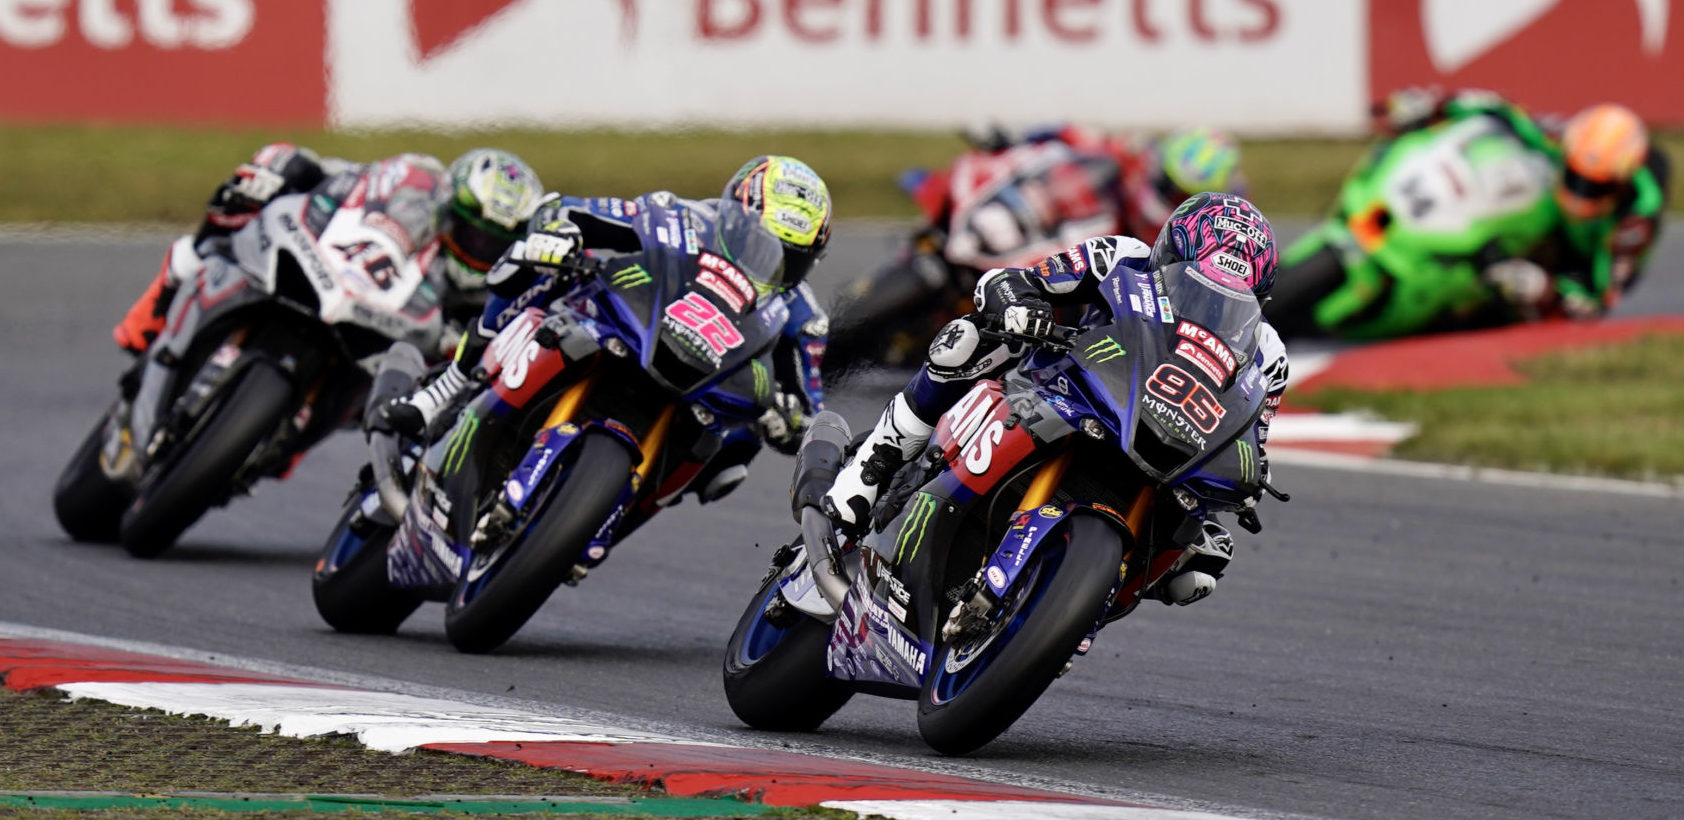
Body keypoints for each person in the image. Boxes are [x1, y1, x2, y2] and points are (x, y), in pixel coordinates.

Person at [824, 192, 1288, 606]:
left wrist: (1250, 478)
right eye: (1196, 286)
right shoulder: (1124, 257)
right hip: (1063, 389)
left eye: (1229, 299)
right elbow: (1010, 281)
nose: (1211, 310)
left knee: (1201, 563)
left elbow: (1252, 436)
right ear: (1167, 256)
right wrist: (1021, 306)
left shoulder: (1269, 354)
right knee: (968, 338)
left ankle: (1068, 611)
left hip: (1167, 449)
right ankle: (872, 467)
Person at [376, 155, 833, 501]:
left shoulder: (804, 316)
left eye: (791, 257)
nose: (770, 260)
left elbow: (809, 404)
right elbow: (572, 210)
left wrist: (790, 418)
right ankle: (445, 390)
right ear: (734, 215)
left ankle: (617, 504)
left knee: (737, 447)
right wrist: (561, 232)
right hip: (634, 328)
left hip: (706, 390)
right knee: (539, 270)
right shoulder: (681, 217)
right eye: (758, 240)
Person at [112, 143, 545, 355]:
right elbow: (340, 176)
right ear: (448, 209)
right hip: (328, 269)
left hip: (381, 346)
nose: (479, 248)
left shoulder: (492, 290)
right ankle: (167, 288)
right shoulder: (415, 190)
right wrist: (277, 177)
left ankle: (294, 435)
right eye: (473, 233)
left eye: (493, 244)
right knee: (273, 168)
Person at [1377, 87, 1670, 319]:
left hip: (1578, 257)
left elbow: (1600, 297)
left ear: (1621, 184)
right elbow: (1505, 111)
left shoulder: (1635, 221)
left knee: (1504, 308)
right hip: (1549, 216)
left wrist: (1549, 289)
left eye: (1596, 186)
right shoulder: (1564, 137)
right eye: (1574, 175)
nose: (1581, 191)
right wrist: (1436, 103)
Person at [961, 122, 1249, 248]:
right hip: (1046, 209)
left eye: (1181, 194)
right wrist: (1015, 138)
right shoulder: (1131, 153)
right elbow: (1070, 132)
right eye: (1168, 184)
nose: (1169, 195)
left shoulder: (1180, 235)